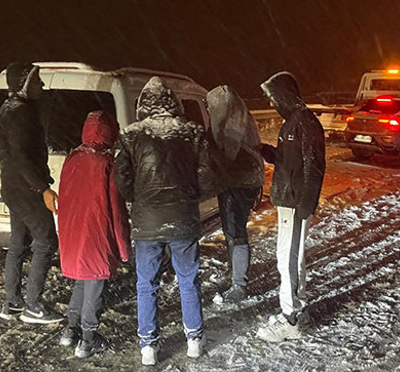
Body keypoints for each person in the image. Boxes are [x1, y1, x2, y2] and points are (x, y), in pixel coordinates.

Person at [114, 77, 212, 366]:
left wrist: (140, 197)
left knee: (147, 284)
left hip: (147, 221)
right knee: (188, 280)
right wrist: (189, 195)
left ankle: (149, 346)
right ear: (174, 103)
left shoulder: (131, 136)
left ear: (142, 105)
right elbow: (207, 175)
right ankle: (194, 339)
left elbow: (121, 178)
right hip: (183, 219)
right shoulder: (192, 134)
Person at [255, 72, 326, 342]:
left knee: (289, 261)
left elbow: (315, 167)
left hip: (296, 205)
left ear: (284, 95)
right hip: (287, 202)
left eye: (273, 98)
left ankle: (291, 319)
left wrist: (305, 205)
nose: (272, 103)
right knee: (287, 259)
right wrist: (266, 151)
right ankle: (299, 309)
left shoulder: (306, 123)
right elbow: (288, 162)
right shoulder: (291, 124)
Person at [57, 111, 131, 358]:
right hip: (97, 237)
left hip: (74, 236)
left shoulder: (72, 160)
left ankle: (69, 331)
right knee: (95, 287)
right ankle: (87, 341)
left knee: (81, 282)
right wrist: (123, 248)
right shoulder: (107, 164)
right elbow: (116, 210)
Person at [0, 62, 62, 324]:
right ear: (24, 83)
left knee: (18, 243)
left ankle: (12, 302)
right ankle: (33, 306)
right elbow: (23, 157)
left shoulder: (7, 108)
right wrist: (43, 188)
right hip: (26, 190)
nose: (41, 86)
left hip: (12, 187)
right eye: (37, 81)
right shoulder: (21, 112)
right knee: (46, 241)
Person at [206, 86, 265, 304]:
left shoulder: (232, 125)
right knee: (232, 230)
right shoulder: (243, 116)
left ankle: (239, 285)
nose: (211, 111)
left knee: (236, 231)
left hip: (238, 184)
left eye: (212, 107)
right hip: (243, 183)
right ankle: (235, 274)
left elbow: (226, 154)